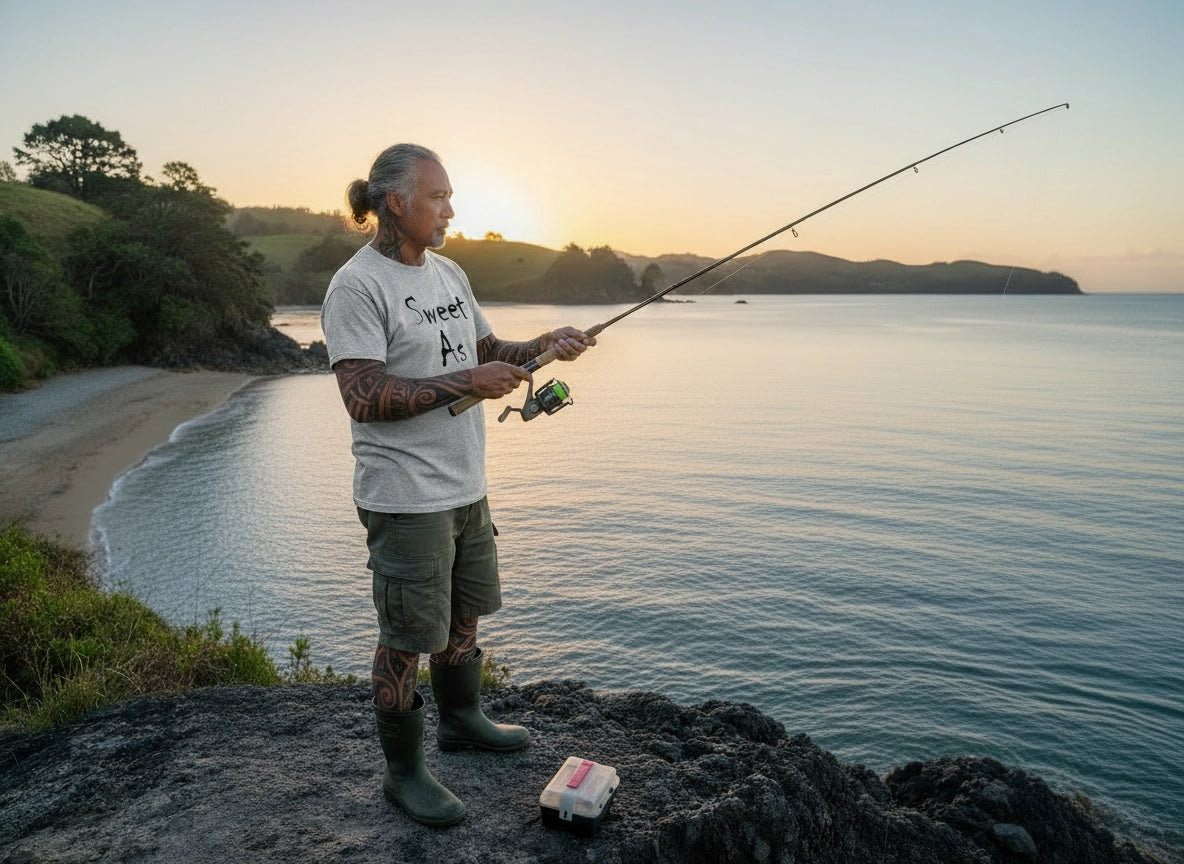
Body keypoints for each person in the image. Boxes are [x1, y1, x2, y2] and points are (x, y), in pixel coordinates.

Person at [320, 143, 595, 827]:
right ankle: (404, 774)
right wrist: (466, 384)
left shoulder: (448, 273)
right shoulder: (356, 287)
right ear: (396, 203)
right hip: (404, 496)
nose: (450, 209)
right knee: (406, 637)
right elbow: (362, 394)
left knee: (464, 614)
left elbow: (485, 354)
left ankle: (463, 719)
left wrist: (543, 346)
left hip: (465, 486)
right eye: (438, 196)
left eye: (449, 196)